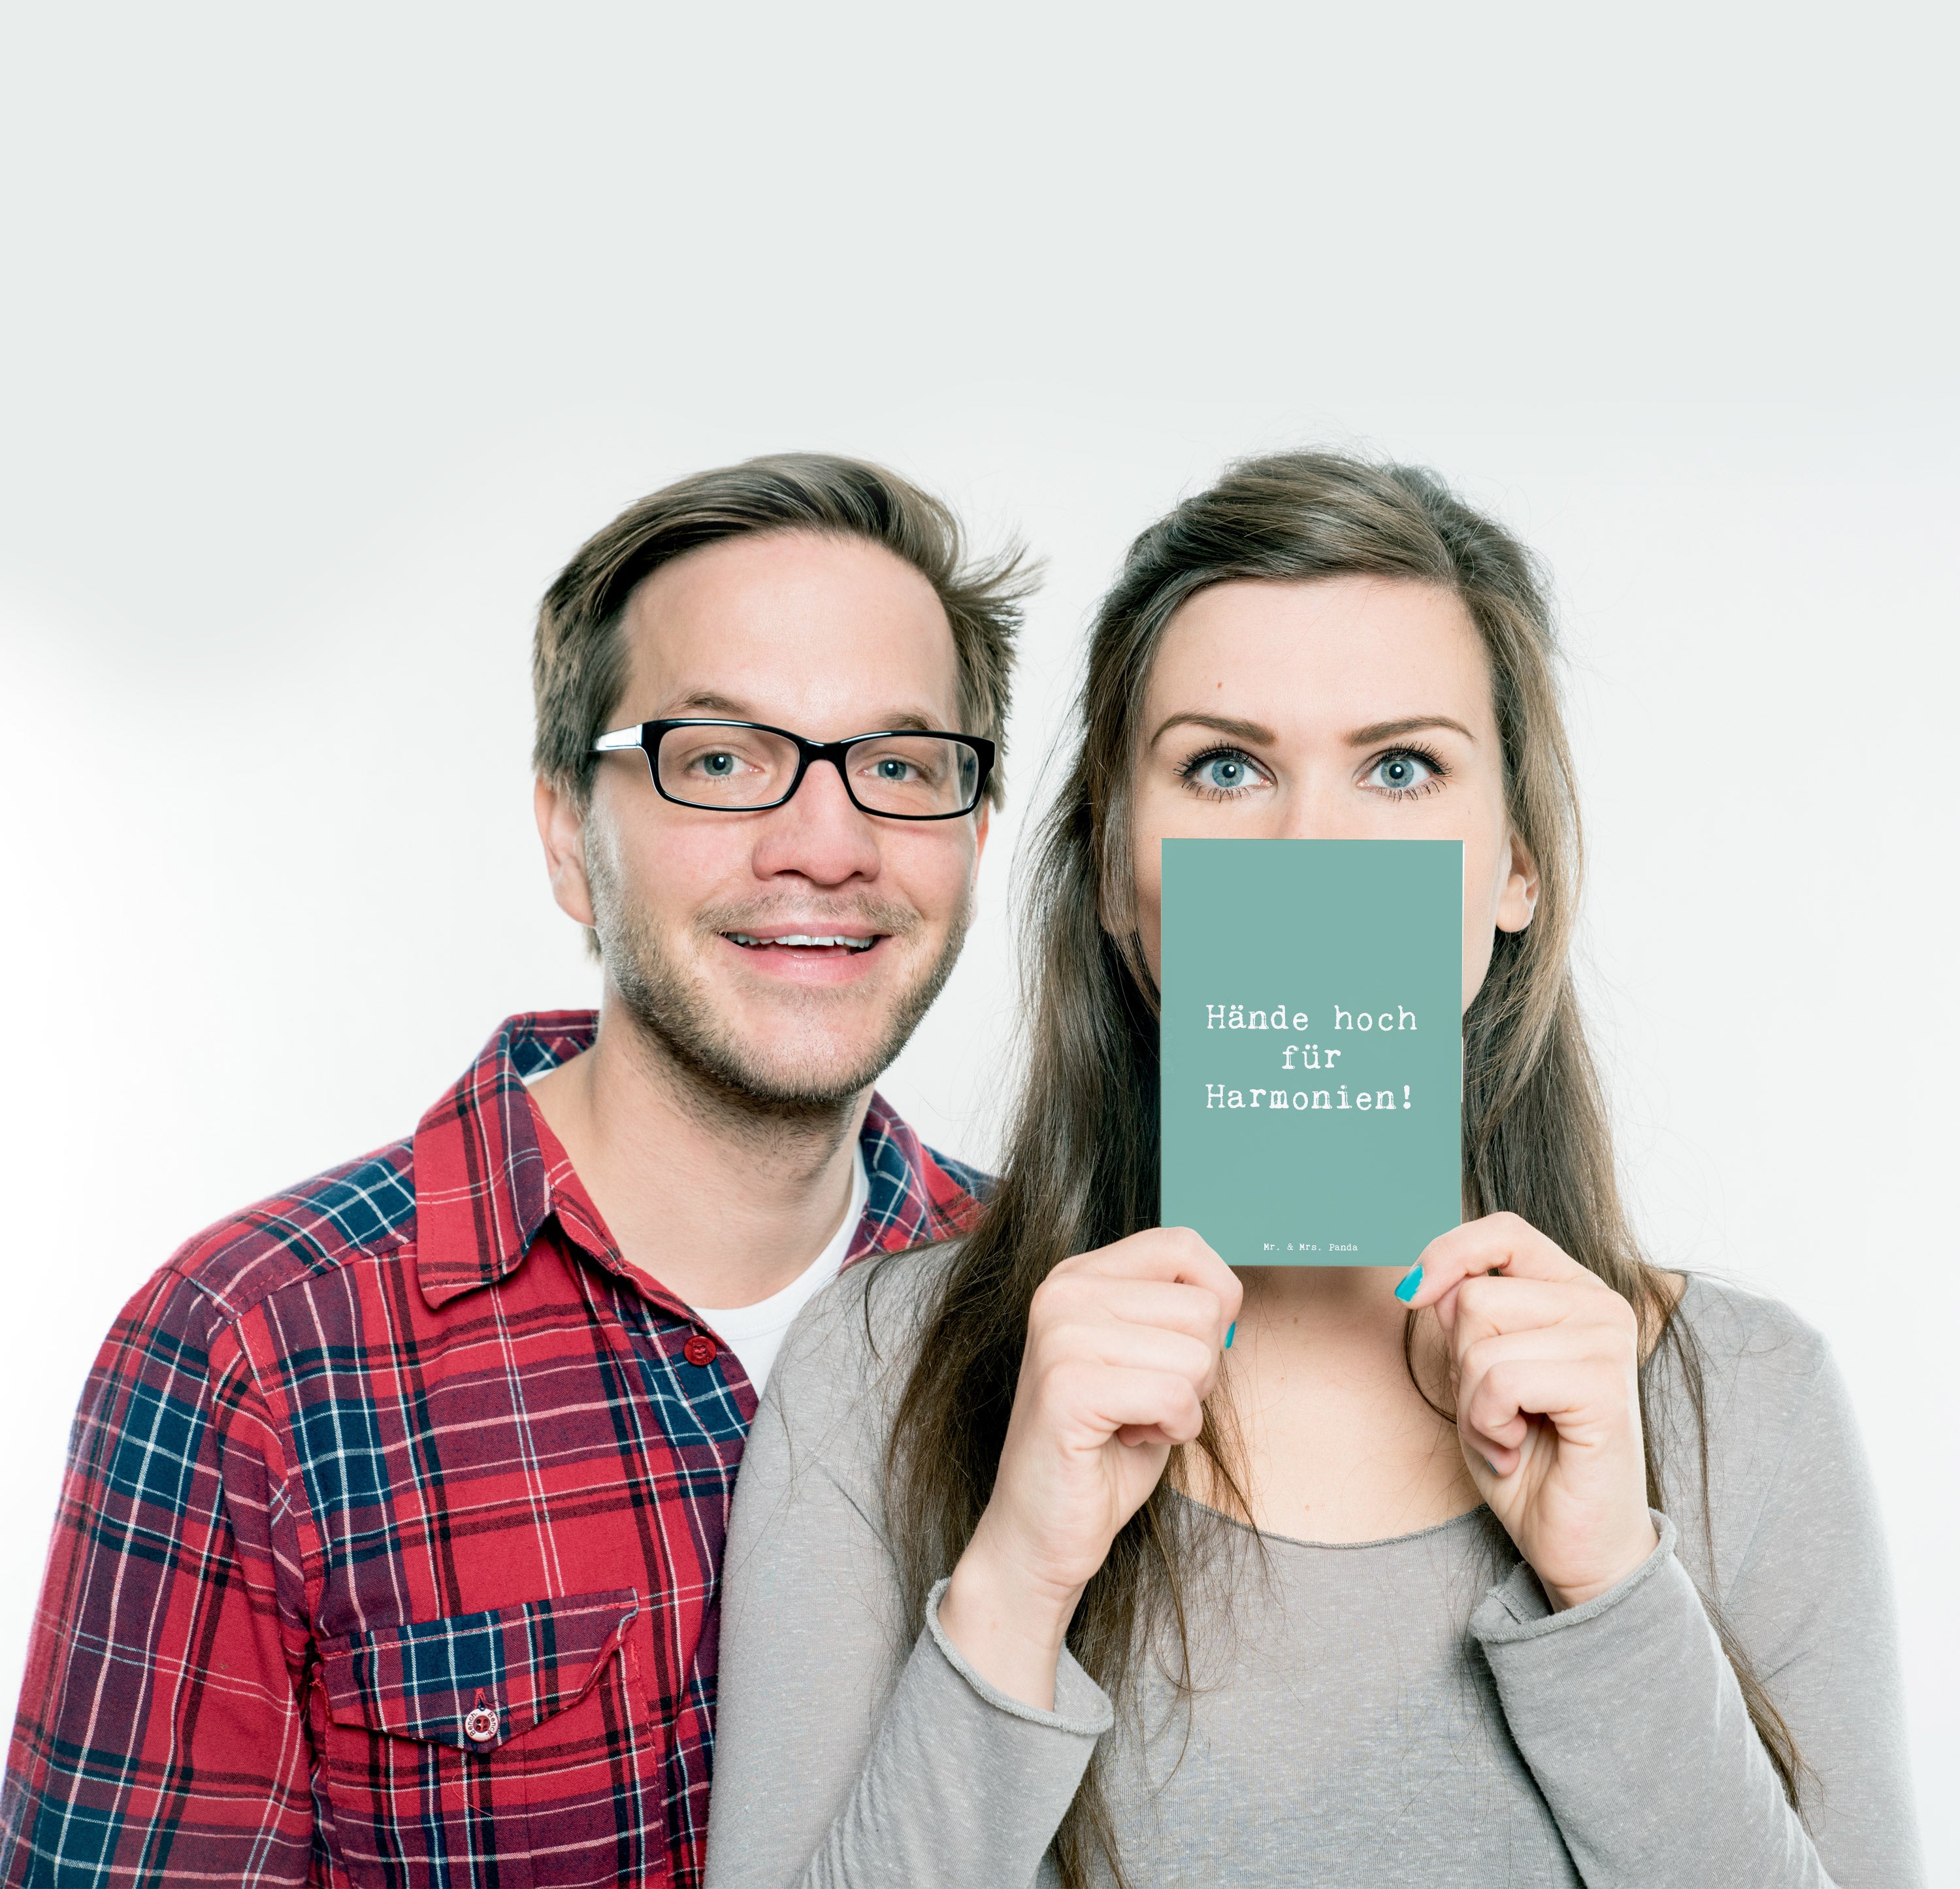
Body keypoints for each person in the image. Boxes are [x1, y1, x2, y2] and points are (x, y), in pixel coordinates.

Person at [704, 452, 1923, 1888]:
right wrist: (1017, 1577)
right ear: (1117, 871)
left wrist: (1609, 1585)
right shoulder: (878, 1370)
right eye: (1225, 768)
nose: (1312, 846)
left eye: (1401, 768)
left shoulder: (1749, 1401)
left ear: (1517, 866)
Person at [0, 453, 1029, 1888]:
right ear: (566, 836)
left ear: (974, 832)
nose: (827, 845)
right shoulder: (250, 1353)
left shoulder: (1044, 1296)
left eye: (901, 768)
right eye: (720, 761)